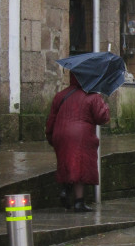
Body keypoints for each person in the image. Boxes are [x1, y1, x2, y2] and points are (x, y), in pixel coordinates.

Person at [45, 72, 110, 212]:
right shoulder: (92, 96)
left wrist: (50, 136)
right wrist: (104, 105)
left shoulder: (61, 95)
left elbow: (51, 119)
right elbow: (101, 118)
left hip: (60, 133)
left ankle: (65, 190)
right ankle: (79, 202)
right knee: (80, 167)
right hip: (80, 136)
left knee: (66, 163)